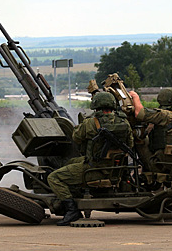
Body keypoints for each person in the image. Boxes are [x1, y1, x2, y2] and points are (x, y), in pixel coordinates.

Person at [47, 92, 133, 226]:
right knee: (71, 163)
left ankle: (71, 210)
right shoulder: (124, 123)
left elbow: (76, 138)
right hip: (115, 170)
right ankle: (74, 191)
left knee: (53, 177)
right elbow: (130, 144)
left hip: (93, 170)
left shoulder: (91, 123)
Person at [129, 89, 172, 177]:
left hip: (159, 165)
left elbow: (139, 113)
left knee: (139, 139)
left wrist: (135, 96)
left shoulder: (165, 115)